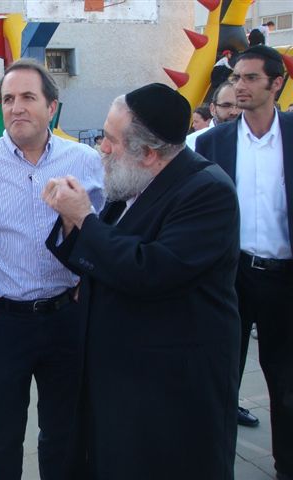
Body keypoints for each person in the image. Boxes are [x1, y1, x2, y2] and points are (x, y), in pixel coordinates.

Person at [43, 83, 240, 479]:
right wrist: (70, 223)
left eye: (111, 140)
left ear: (149, 153)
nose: (102, 147)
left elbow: (150, 270)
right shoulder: (133, 179)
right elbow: (104, 257)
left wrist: (84, 219)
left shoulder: (207, 191)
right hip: (124, 377)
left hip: (172, 387)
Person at [0, 58, 104, 479]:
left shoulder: (85, 160)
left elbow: (108, 221)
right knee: (3, 435)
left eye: (28, 97)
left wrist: (93, 275)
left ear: (52, 107)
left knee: (64, 432)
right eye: (8, 99)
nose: (16, 107)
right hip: (1, 322)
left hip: (66, 317)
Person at [196, 45, 293, 480]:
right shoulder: (212, 143)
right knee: (220, 382)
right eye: (236, 77)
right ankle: (216, 468)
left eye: (251, 77)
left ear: (277, 83)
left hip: (285, 280)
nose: (239, 86)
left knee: (286, 386)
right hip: (229, 279)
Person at [185, 81, 240, 149]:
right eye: (226, 105)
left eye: (240, 106)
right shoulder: (191, 142)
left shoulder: (250, 141)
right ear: (213, 109)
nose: (234, 112)